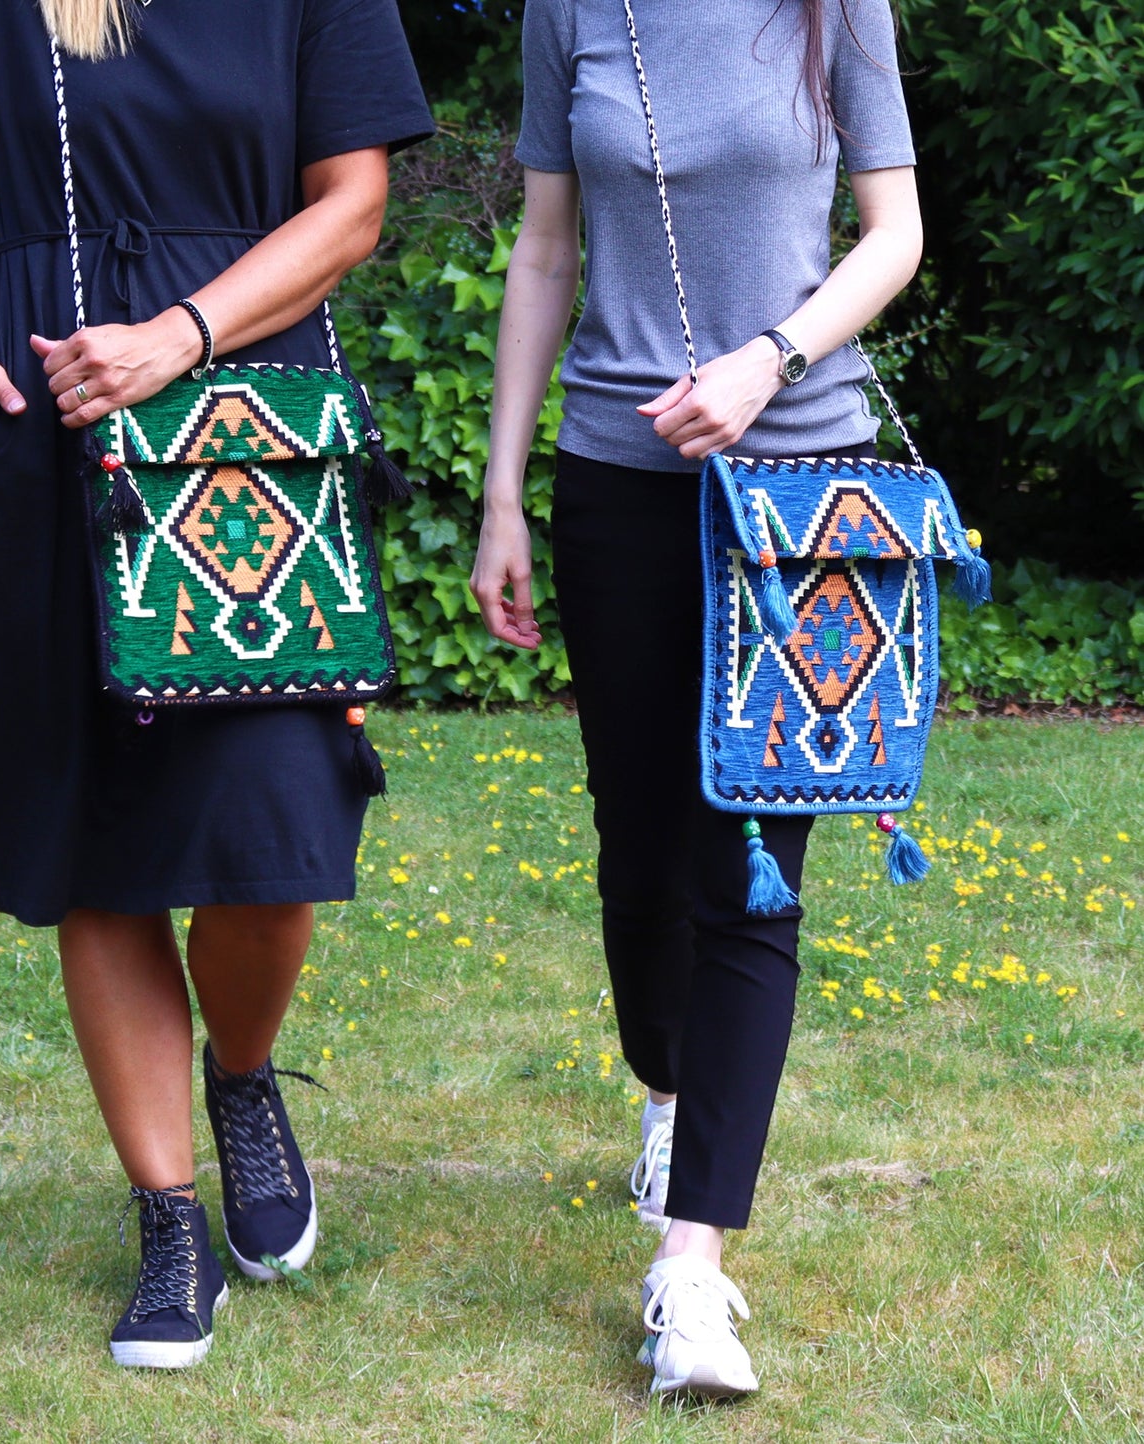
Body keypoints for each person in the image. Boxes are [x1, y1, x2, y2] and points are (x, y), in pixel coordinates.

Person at [0, 0, 431, 1369]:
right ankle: (167, 1219)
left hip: (245, 415)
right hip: (41, 411)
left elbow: (352, 204)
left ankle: (241, 1077)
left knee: (276, 825)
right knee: (97, 844)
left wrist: (182, 331)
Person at [470, 0, 921, 1399]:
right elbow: (545, 249)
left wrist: (767, 360)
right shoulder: (574, 11)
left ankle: (691, 1270)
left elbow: (892, 234)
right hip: (615, 480)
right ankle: (665, 1090)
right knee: (639, 846)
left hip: (797, 489)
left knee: (753, 865)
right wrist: (501, 491)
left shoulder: (835, 5)